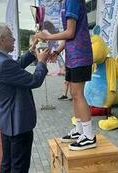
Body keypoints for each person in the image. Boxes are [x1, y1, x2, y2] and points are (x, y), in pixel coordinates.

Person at [0, 22, 50, 173]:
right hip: (18, 123)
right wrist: (42, 62)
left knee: (7, 163)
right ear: (1, 40)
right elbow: (35, 81)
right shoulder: (4, 63)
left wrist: (31, 51)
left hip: (6, 121)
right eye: (11, 37)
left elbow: (16, 66)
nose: (14, 40)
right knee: (19, 167)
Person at [36, 0, 95, 151]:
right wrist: (57, 51)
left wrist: (47, 37)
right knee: (74, 95)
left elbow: (70, 32)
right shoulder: (65, 2)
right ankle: (79, 130)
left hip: (80, 55)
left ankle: (89, 136)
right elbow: (68, 36)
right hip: (72, 56)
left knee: (77, 93)